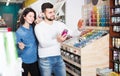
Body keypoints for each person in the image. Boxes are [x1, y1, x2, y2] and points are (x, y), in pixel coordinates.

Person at [34, 2, 70, 76]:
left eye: (53, 11)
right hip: (45, 59)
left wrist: (79, 30)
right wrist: (57, 40)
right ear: (43, 14)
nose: (53, 14)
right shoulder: (38, 27)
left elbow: (70, 32)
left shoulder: (59, 24)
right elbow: (43, 43)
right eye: (50, 12)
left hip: (58, 57)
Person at [15, 8, 40, 76]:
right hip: (24, 61)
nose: (32, 18)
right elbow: (16, 51)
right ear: (24, 17)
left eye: (33, 16)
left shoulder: (35, 28)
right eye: (30, 16)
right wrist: (20, 48)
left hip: (35, 60)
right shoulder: (19, 32)